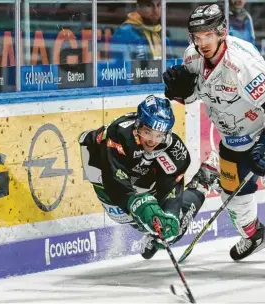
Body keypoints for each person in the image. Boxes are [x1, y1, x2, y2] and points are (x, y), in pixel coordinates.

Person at [163, 4, 265, 275]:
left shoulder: (241, 65)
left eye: (208, 35)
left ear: (222, 32)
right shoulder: (192, 57)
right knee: (234, 200)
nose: (201, 42)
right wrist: (181, 92)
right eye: (196, 35)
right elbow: (200, 93)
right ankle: (254, 236)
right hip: (232, 139)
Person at [79, 95, 220, 259]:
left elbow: (172, 190)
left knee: (173, 229)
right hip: (100, 165)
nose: (153, 141)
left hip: (142, 174)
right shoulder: (119, 134)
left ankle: (203, 181)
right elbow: (114, 181)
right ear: (138, 125)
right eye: (148, 132)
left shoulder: (175, 151)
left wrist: (171, 217)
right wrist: (140, 203)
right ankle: (151, 232)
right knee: (127, 213)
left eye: (159, 135)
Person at [109, 0, 174, 62]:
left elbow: (170, 65)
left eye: (159, 5)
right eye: (149, 5)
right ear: (138, 7)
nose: (155, 10)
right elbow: (120, 68)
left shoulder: (161, 34)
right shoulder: (124, 32)